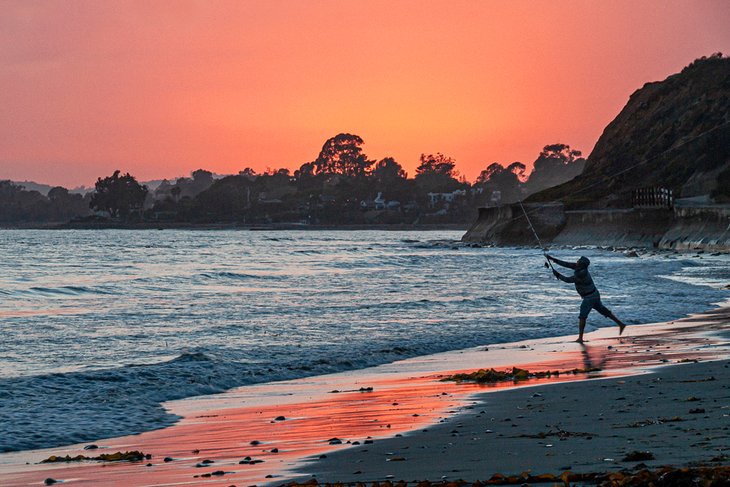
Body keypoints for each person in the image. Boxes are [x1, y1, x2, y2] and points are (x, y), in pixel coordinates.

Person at [546, 254, 626, 343]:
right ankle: (620, 324)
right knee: (603, 310)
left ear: (582, 264)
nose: (576, 262)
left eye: (578, 261)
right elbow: (566, 264)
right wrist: (553, 259)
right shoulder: (579, 267)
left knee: (582, 317)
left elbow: (568, 280)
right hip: (594, 294)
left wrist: (557, 275)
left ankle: (580, 338)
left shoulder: (581, 273)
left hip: (589, 297)